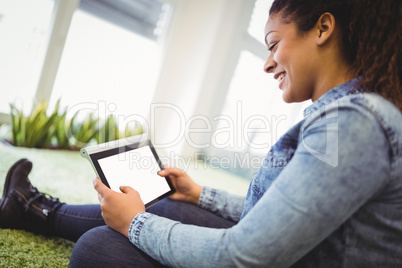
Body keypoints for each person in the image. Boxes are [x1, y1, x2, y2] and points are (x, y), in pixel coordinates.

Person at [1, 0, 401, 266]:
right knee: (171, 206)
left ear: (323, 28)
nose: (267, 63)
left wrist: (134, 224)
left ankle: (33, 208)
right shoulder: (347, 113)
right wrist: (200, 194)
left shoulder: (355, 124)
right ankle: (32, 207)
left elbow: (242, 256)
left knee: (100, 249)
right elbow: (273, 213)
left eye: (273, 44)